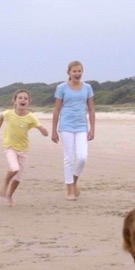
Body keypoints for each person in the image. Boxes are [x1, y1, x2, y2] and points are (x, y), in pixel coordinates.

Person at [0, 89, 49, 206]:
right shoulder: (8, 113)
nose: (23, 100)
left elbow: (40, 128)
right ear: (14, 101)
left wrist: (44, 131)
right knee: (15, 168)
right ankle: (5, 183)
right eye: (20, 98)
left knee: (18, 178)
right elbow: (0, 118)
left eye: (25, 98)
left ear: (29, 102)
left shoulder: (31, 117)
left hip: (23, 149)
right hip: (10, 146)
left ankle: (9, 196)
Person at [51, 60, 96, 201]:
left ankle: (74, 181)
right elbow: (57, 110)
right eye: (74, 71)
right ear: (69, 73)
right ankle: (70, 190)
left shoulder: (87, 87)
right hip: (66, 126)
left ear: (82, 72)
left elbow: (91, 109)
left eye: (79, 71)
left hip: (82, 126)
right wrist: (54, 130)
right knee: (69, 158)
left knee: (82, 157)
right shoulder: (62, 88)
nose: (77, 73)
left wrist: (92, 129)